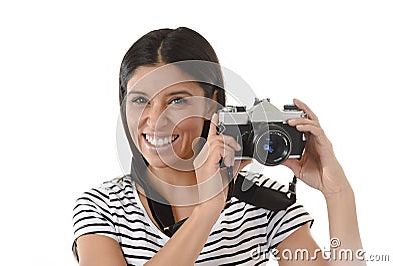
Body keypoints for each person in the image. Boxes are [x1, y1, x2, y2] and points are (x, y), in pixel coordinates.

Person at [72, 27, 364, 265]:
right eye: (139, 100)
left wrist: (339, 194)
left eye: (177, 100)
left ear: (213, 104)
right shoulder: (102, 207)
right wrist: (207, 208)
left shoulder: (262, 202)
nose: (155, 119)